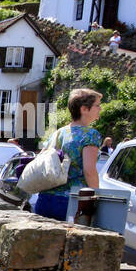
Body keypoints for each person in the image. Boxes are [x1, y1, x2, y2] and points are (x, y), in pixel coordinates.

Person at [32, 88, 104, 221]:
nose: (100, 109)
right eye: (97, 105)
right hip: (71, 201)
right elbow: (89, 171)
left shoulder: (58, 133)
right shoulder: (90, 134)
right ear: (84, 109)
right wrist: (98, 197)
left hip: (44, 199)